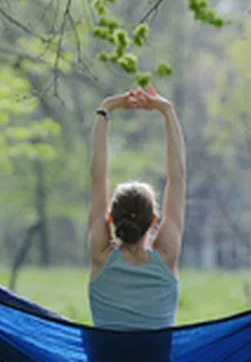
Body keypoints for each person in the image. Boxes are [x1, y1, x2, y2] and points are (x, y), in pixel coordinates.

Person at [87, 84, 187, 331]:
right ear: (154, 220)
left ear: (110, 218)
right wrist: (167, 111)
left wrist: (106, 108)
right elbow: (178, 179)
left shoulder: (100, 256)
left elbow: (97, 177)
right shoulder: (166, 257)